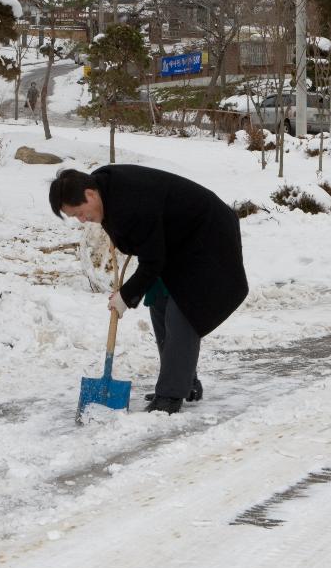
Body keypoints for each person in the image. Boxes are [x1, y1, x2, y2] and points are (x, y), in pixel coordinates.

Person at [49, 166, 249, 414]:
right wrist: (130, 292)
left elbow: (153, 261)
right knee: (159, 301)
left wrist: (125, 296)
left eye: (79, 213)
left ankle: (171, 394)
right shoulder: (105, 190)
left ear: (89, 194)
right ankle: (182, 380)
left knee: (184, 310)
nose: (82, 220)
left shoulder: (129, 202)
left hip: (209, 237)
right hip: (179, 242)